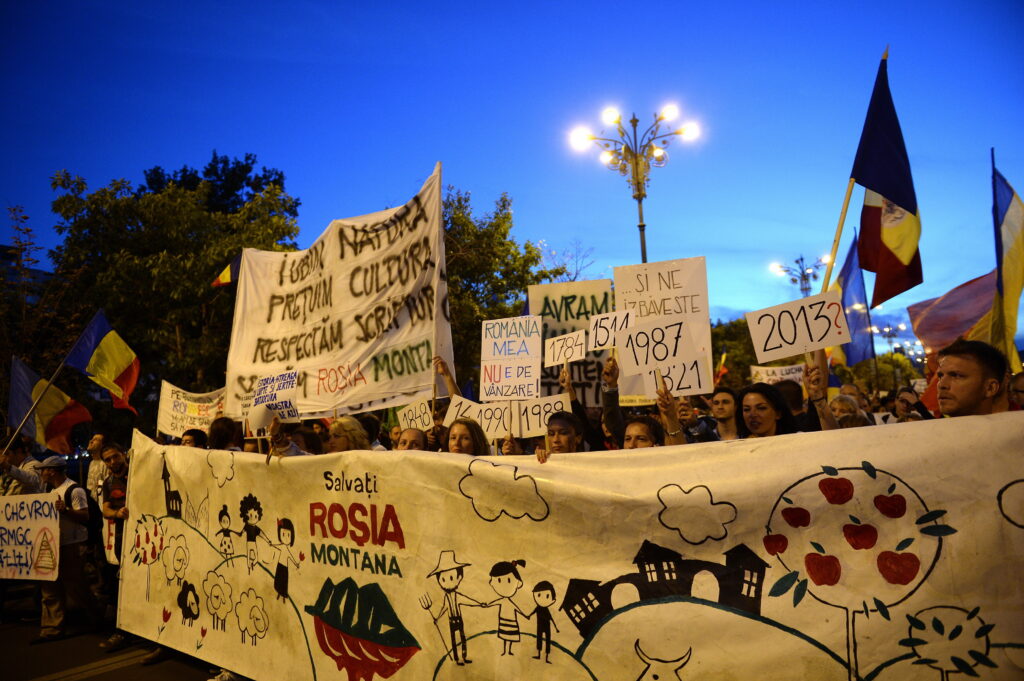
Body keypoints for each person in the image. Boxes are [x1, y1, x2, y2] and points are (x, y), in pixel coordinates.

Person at [33, 456, 102, 643]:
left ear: (52, 471)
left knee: (76, 586)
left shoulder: (74, 490)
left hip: (71, 544)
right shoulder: (50, 490)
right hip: (53, 544)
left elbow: (85, 516)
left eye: (43, 470)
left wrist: (65, 510)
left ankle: (97, 617)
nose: (41, 473)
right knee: (50, 586)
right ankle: (51, 629)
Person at [425, 550, 480, 666]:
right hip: (451, 620)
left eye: (451, 577)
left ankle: (464, 657)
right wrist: (437, 618)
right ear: (439, 581)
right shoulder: (446, 597)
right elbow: (444, 608)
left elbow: (468, 600)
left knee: (463, 638)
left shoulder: (457, 595)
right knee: (454, 641)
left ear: (459, 577)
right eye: (443, 580)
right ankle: (457, 658)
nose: (446, 582)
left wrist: (479, 603)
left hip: (458, 618)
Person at [935, 339, 1009, 417]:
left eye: (957, 376)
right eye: (940, 376)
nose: (941, 385)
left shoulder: (1015, 428)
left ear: (990, 388)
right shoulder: (929, 428)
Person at [486, 559, 527, 656]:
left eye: (509, 580)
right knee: (505, 636)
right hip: (504, 621)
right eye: (499, 580)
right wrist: (487, 604)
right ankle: (505, 650)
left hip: (511, 622)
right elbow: (494, 602)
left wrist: (525, 615)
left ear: (518, 583)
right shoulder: (504, 601)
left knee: (511, 636)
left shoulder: (509, 602)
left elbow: (518, 609)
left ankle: (508, 651)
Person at [529, 581, 559, 663]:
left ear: (553, 600)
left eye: (547, 596)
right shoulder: (538, 608)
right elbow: (532, 613)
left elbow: (551, 618)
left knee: (547, 640)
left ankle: (546, 657)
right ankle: (539, 654)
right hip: (540, 626)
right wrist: (528, 616)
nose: (542, 599)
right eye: (538, 595)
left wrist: (556, 627)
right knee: (539, 639)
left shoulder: (546, 610)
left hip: (546, 626)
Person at [84, 430, 107, 503]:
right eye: (92, 439)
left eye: (96, 439)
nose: (91, 441)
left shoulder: (105, 464)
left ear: (102, 445)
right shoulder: (92, 463)